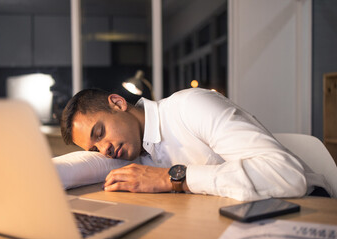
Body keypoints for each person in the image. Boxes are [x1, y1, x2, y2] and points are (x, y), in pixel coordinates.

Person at [60, 87, 331, 201]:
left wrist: (174, 178)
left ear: (118, 103)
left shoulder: (190, 107)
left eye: (100, 132)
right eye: (94, 148)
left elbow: (287, 175)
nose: (104, 149)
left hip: (308, 207)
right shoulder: (132, 152)